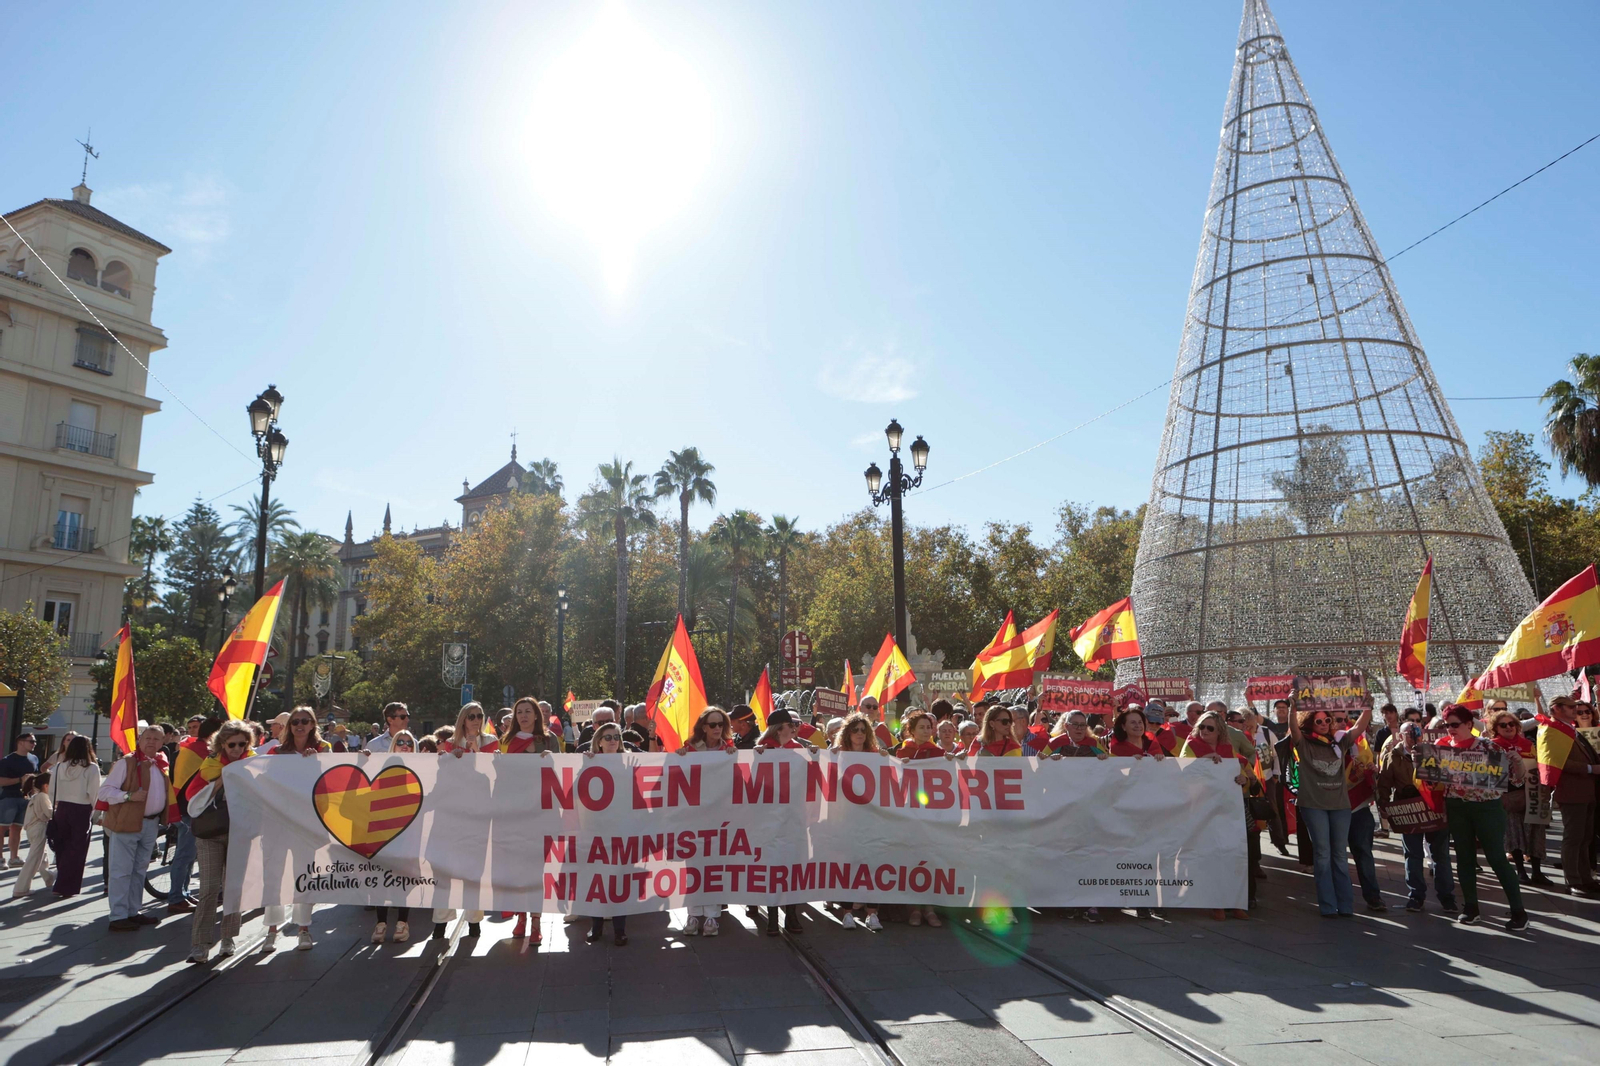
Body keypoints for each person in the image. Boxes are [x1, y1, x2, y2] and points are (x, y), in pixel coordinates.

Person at [1435, 703, 1528, 930]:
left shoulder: (1489, 747)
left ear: (1469, 724)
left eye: (1455, 725)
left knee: (1496, 858)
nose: (1450, 729)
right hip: (1457, 806)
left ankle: (1519, 911)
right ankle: (1471, 908)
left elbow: (1516, 780)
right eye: (1447, 725)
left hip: (1487, 807)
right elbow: (1431, 779)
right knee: (1464, 858)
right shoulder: (1441, 747)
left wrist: (1517, 762)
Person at [1287, 696, 1371, 918]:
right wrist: (1292, 710)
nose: (1324, 724)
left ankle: (1345, 905)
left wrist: (1366, 706)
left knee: (1340, 855)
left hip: (1340, 806)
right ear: (1309, 724)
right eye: (1318, 722)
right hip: (1313, 805)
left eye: (1327, 720)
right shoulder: (1304, 743)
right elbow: (1293, 729)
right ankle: (1327, 905)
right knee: (1322, 854)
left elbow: (1360, 726)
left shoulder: (1339, 742)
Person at [96, 725, 179, 931]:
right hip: (126, 823)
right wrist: (128, 796)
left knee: (139, 870)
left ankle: (133, 911)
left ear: (163, 742)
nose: (151, 742)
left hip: (150, 823)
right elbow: (104, 792)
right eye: (148, 738)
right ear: (140, 740)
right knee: (121, 871)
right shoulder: (127, 762)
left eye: (156, 739)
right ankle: (118, 916)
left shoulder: (161, 763)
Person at [187, 720, 253, 962]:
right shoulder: (210, 766)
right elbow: (192, 799)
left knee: (234, 887)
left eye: (242, 744)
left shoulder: (253, 764)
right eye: (232, 744)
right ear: (222, 744)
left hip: (239, 833)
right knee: (209, 889)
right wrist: (222, 779)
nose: (237, 749)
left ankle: (228, 937)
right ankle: (200, 944)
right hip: (210, 834)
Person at [1178, 710, 1254, 919]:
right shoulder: (1191, 744)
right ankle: (1216, 903)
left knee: (1232, 855)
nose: (1204, 731)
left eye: (1209, 728)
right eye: (1201, 726)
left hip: (1225, 810)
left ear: (1219, 730)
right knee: (1211, 856)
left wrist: (1244, 779)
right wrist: (1203, 760)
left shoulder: (1227, 748)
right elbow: (1181, 772)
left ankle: (1235, 902)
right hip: (1201, 809)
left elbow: (1242, 772)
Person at [1376, 722, 1457, 914]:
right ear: (1402, 736)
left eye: (1418, 734)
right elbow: (1384, 782)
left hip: (1433, 806)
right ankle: (1416, 896)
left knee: (1440, 855)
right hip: (1407, 808)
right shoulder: (1393, 756)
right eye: (1411, 735)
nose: (1415, 738)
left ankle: (1447, 897)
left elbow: (1446, 776)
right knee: (1413, 854)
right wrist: (1384, 805)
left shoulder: (1433, 752)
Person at [267, 709, 330, 950]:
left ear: (313, 724)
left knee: (304, 875)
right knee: (276, 874)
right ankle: (272, 930)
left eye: (305, 721)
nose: (300, 725)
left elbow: (332, 780)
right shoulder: (276, 752)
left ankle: (304, 928)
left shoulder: (324, 751)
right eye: (295, 722)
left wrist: (317, 764)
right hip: (280, 822)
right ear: (289, 726)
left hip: (309, 822)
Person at [497, 697, 555, 942]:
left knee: (536, 870)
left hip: (540, 812)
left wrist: (551, 759)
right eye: (518, 711)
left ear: (536, 715)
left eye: (527, 711)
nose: (523, 715)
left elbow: (560, 771)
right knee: (518, 869)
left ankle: (536, 923)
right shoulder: (506, 742)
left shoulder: (549, 740)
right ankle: (521, 916)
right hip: (514, 813)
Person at [830, 711, 891, 929]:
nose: (859, 734)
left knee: (871, 864)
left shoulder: (877, 756)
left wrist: (889, 759)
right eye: (854, 730)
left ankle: (872, 913)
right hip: (845, 819)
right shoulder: (836, 754)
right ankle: (847, 913)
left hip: (870, 819)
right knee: (849, 865)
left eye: (863, 731)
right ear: (847, 733)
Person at [1540, 695, 1599, 895]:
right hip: (1572, 792)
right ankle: (1573, 880)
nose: (1575, 710)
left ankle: (1585, 878)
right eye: (1571, 707)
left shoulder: (1568, 729)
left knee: (1585, 837)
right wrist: (1591, 768)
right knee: (1574, 838)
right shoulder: (1551, 730)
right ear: (1556, 708)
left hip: (1586, 791)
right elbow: (1558, 763)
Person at [1488, 706, 1548, 886]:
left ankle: (1537, 872)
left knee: (1535, 833)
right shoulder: (1492, 746)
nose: (1509, 727)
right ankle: (1521, 872)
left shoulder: (1528, 744)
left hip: (1533, 794)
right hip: (1509, 796)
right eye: (1503, 725)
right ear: (1495, 728)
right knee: (1514, 833)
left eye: (1512, 723)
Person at [169, 717, 222, 915]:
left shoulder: (192, 748)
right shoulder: (202, 751)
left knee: (189, 855)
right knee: (185, 854)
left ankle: (183, 892)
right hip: (190, 809)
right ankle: (176, 897)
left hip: (189, 808)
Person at [584, 723, 630, 945]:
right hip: (596, 830)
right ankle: (596, 926)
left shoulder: (630, 762)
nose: (613, 740)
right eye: (607, 737)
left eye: (616, 736)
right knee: (597, 880)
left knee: (619, 880)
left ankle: (620, 930)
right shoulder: (589, 761)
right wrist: (583, 763)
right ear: (599, 741)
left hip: (621, 830)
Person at [44, 735, 99, 898]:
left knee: (61, 845)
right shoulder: (91, 768)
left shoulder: (60, 766)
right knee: (77, 849)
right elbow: (94, 794)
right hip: (82, 810)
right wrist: (96, 814)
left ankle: (60, 881)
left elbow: (52, 791)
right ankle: (68, 886)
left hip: (62, 808)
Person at [11, 771, 54, 896]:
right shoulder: (42, 797)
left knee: (42, 856)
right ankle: (21, 888)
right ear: (46, 786)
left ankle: (49, 877)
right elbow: (49, 813)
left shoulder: (36, 796)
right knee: (34, 859)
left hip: (32, 829)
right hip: (39, 828)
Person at [0, 733, 41, 867]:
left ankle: (14, 857)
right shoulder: (7, 760)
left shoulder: (34, 758)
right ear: (21, 742)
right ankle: (0, 859)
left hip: (26, 798)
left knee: (17, 828)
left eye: (34, 741)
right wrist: (20, 779)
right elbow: (1, 781)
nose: (34, 743)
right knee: (2, 828)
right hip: (9, 798)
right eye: (31, 741)